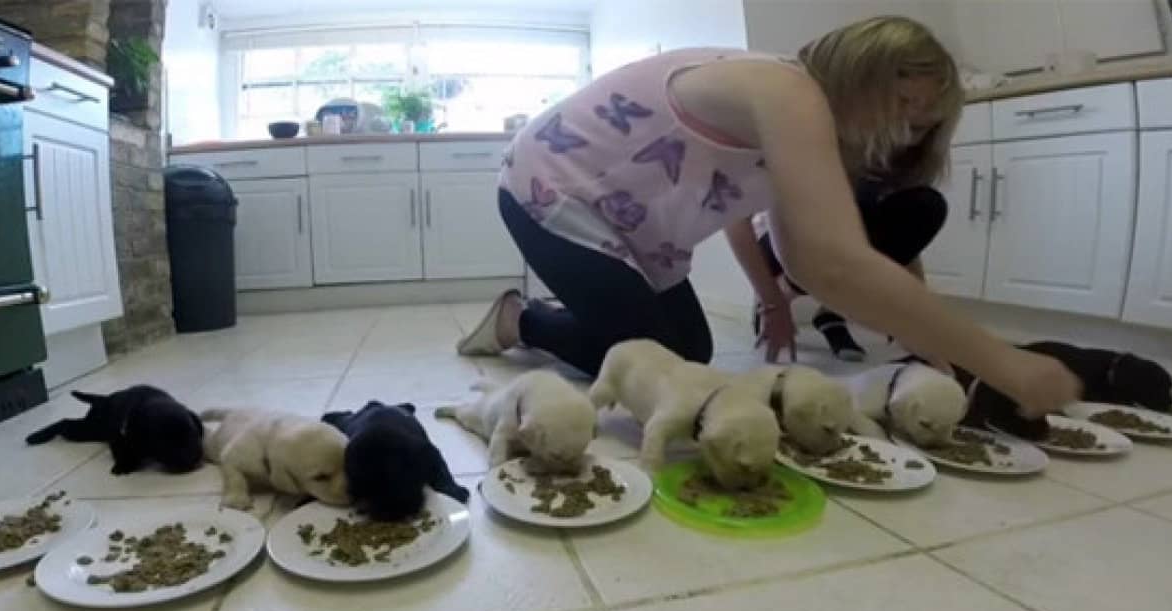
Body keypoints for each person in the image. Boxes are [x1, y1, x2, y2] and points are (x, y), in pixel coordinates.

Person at [457, 16, 1080, 417]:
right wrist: (1004, 363)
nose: (905, 133)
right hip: (552, 190)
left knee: (687, 354)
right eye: (904, 109)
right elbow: (835, 264)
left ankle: (560, 317)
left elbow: (810, 254)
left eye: (921, 123)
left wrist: (932, 346)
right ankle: (523, 321)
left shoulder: (806, 124)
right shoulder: (786, 92)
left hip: (631, 228)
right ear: (861, 75)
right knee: (661, 354)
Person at [745, 180, 948, 362]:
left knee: (925, 203)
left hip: (835, 228)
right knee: (854, 198)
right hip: (775, 237)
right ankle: (787, 293)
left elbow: (903, 238)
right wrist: (773, 302)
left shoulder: (889, 161)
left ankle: (829, 311)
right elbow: (736, 222)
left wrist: (918, 316)